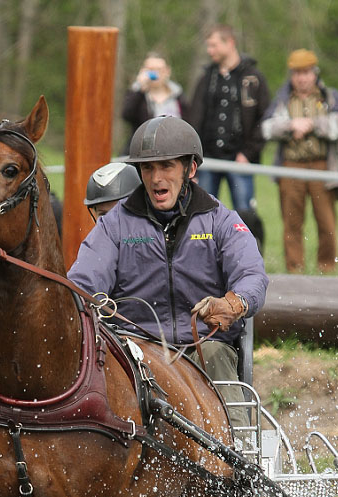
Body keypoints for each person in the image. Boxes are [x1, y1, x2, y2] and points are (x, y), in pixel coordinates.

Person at [68, 116, 268, 435]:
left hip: (205, 345)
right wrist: (83, 301)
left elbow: (252, 275)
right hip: (133, 349)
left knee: (216, 354)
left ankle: (239, 452)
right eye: (148, 168)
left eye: (166, 166)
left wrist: (233, 303)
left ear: (190, 169)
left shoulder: (221, 221)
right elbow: (82, 283)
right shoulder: (114, 226)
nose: (156, 178)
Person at [261, 49, 338, 274]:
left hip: (322, 167)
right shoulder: (282, 99)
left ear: (314, 73)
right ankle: (295, 270)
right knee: (291, 223)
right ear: (292, 75)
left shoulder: (329, 97)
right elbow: (266, 128)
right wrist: (291, 126)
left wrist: (311, 124)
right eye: (297, 73)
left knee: (327, 223)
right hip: (290, 167)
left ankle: (327, 268)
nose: (302, 78)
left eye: (306, 72)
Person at [189, 24, 270, 215]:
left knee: (245, 214)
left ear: (230, 43)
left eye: (214, 45)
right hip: (208, 158)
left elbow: (265, 118)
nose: (210, 51)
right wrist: (194, 157)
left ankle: (247, 246)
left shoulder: (253, 78)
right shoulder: (207, 78)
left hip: (240, 158)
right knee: (201, 213)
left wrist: (249, 153)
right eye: (208, 46)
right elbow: (194, 117)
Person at [121, 53, 189, 154]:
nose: (155, 74)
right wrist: (140, 90)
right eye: (151, 69)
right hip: (143, 151)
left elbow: (188, 123)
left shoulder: (178, 96)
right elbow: (126, 115)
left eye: (159, 70)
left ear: (167, 71)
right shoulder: (137, 94)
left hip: (172, 151)